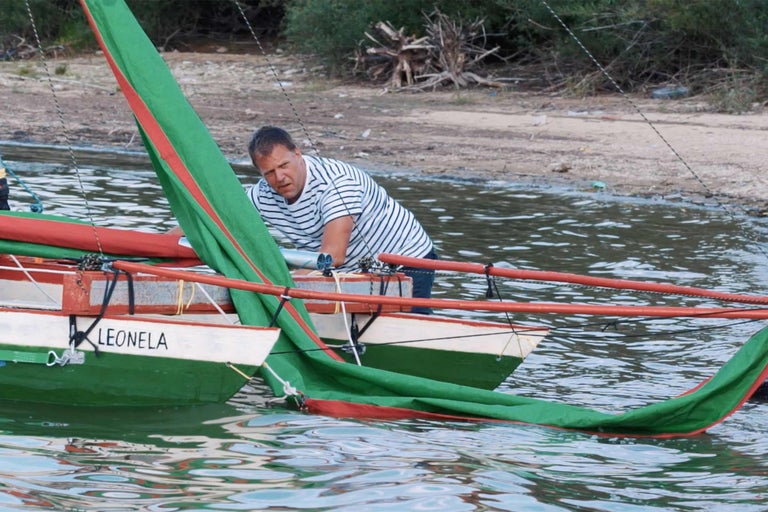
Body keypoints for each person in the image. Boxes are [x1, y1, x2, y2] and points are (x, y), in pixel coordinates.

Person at [246, 125, 437, 312]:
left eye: (283, 165)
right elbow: (225, 228)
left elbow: (333, 256)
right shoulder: (261, 194)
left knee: (402, 330)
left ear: (297, 154)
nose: (280, 177)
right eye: (269, 172)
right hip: (348, 270)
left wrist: (281, 282)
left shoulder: (337, 183)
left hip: (406, 258)